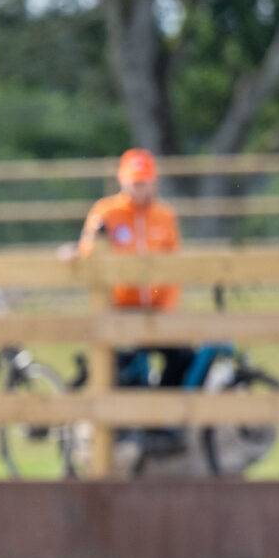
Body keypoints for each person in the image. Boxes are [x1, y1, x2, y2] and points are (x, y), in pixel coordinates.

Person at [76, 148, 190, 387]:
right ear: (123, 180)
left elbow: (175, 264)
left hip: (158, 310)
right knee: (122, 371)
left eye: (143, 182)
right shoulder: (106, 212)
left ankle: (162, 408)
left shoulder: (164, 216)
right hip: (121, 308)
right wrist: (78, 252)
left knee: (183, 357)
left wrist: (166, 306)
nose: (139, 188)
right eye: (134, 182)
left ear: (153, 182)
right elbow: (88, 249)